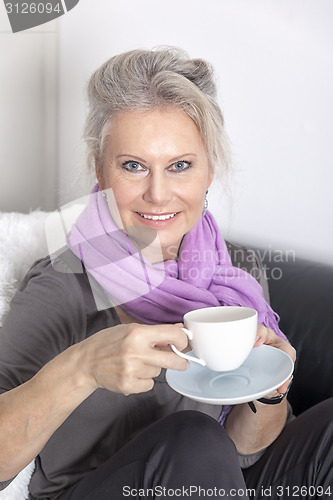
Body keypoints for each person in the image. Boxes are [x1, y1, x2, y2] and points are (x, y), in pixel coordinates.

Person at [0, 48, 332, 500]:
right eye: (133, 166)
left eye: (180, 166)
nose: (158, 194)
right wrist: (82, 368)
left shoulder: (236, 274)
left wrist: (272, 388)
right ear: (100, 169)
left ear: (208, 170)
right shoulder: (63, 285)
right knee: (195, 439)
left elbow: (244, 451)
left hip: (218, 482)